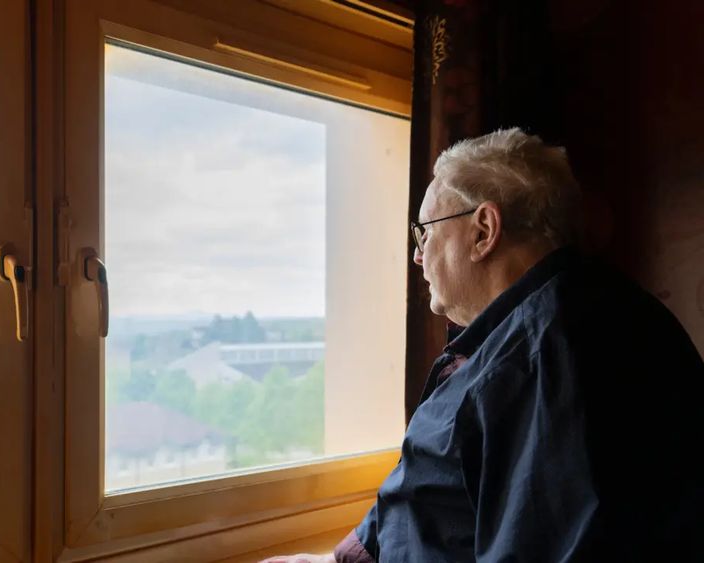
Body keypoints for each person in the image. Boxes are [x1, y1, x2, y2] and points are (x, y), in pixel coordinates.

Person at [265, 128, 704, 562]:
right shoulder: (534, 329)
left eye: (426, 233)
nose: (418, 255)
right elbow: (432, 496)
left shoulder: (547, 355)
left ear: (483, 231)